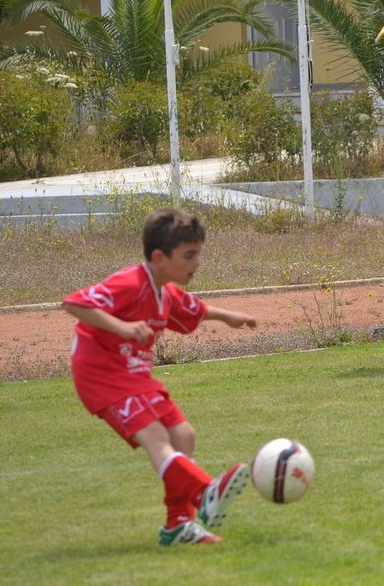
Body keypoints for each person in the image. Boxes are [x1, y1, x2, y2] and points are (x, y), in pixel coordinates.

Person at [62, 208, 259, 546]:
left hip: (134, 376)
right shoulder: (130, 282)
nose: (197, 262)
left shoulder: (165, 292)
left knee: (183, 435)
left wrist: (229, 316)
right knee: (154, 435)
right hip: (101, 376)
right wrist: (122, 326)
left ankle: (178, 524)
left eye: (198, 253)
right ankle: (205, 492)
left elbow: (195, 309)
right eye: (189, 255)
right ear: (159, 258)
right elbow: (74, 304)